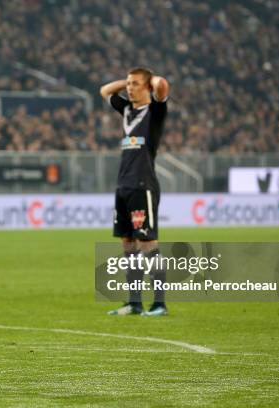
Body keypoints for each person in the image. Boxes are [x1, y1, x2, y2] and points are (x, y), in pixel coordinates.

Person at [99, 67, 170, 317]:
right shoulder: (127, 109)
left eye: (136, 84)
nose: (130, 88)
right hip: (123, 186)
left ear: (147, 87)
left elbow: (162, 88)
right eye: (129, 83)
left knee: (147, 243)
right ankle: (135, 303)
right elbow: (104, 90)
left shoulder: (155, 112)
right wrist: (127, 82)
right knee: (128, 245)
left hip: (143, 186)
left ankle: (159, 303)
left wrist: (155, 81)